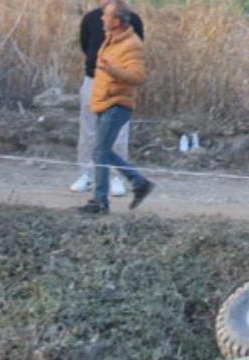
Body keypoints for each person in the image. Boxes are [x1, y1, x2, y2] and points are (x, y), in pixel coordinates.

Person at [80, 0, 155, 215]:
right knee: (101, 151)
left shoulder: (131, 44)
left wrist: (112, 70)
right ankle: (138, 182)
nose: (102, 18)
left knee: (100, 151)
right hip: (105, 102)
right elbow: (86, 47)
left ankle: (100, 201)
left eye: (107, 16)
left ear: (118, 21)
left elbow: (137, 76)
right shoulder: (111, 40)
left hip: (117, 104)